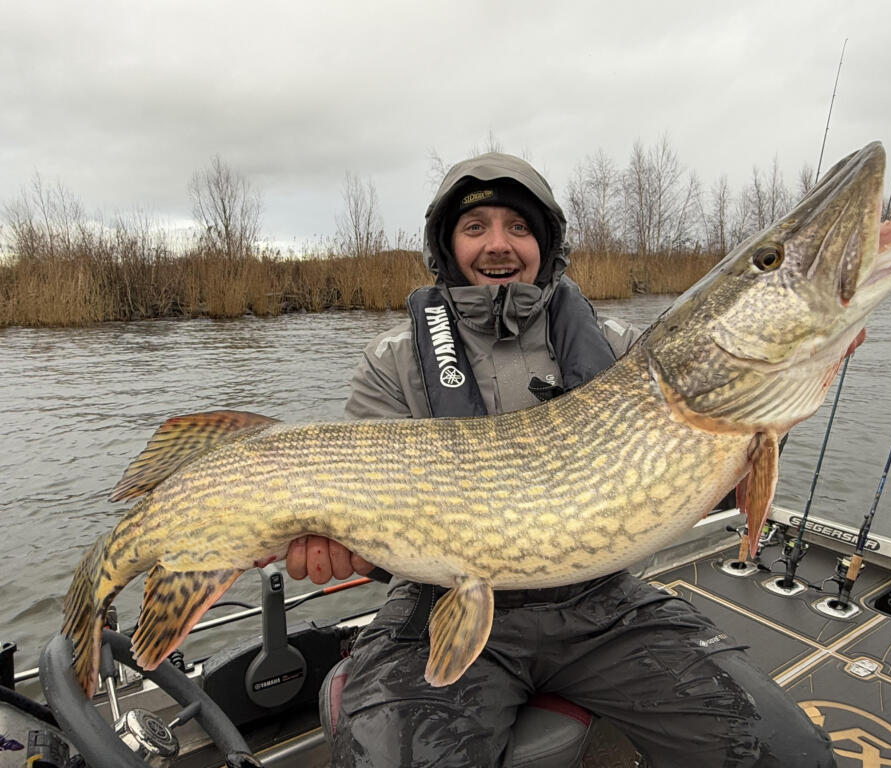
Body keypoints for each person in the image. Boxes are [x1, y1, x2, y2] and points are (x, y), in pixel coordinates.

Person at [286, 153, 836, 767]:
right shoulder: (393, 363)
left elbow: (725, 490)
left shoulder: (626, 352)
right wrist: (338, 542)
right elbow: (371, 511)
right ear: (447, 246)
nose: (498, 245)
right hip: (437, 604)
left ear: (546, 245)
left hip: (604, 606)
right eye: (475, 228)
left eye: (518, 227)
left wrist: (775, 412)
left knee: (786, 755)